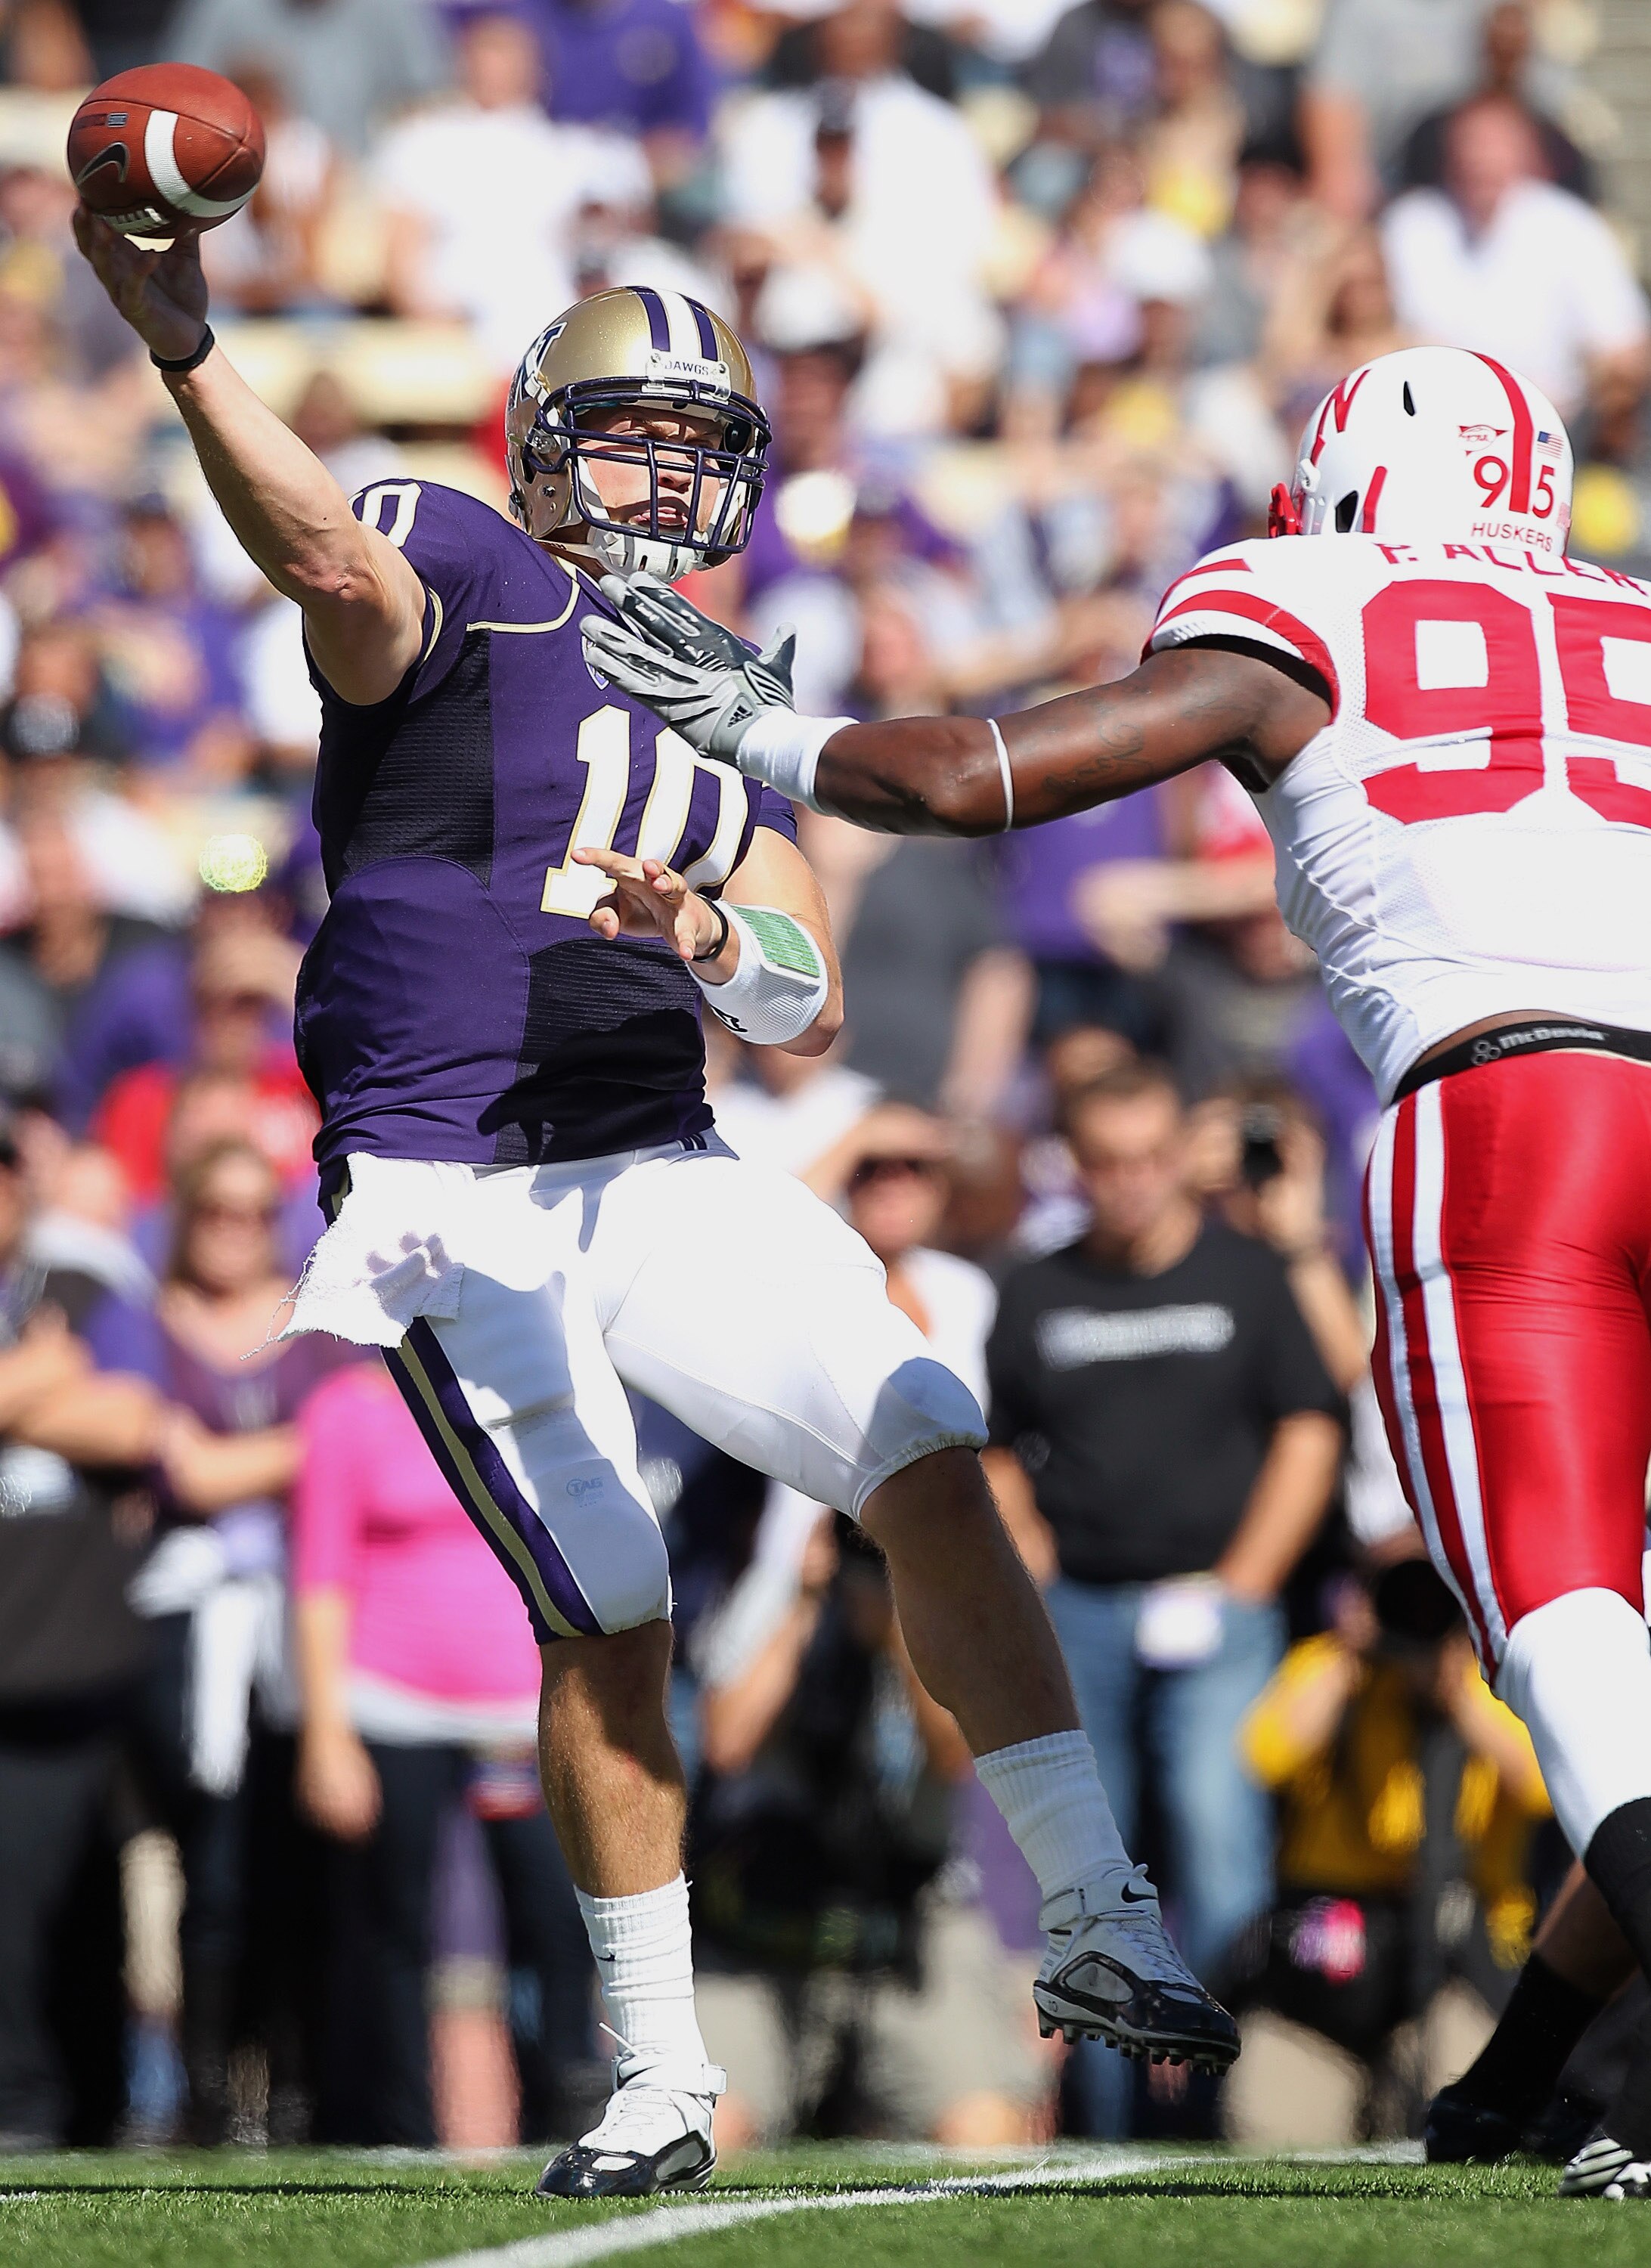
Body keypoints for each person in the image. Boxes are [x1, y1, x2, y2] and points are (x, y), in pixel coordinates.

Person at [71, 218, 1239, 2196]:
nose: (667, 478)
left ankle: (1098, 1912)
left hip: (663, 1161)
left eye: (700, 442)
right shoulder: (458, 563)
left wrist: (706, 922)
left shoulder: (716, 682)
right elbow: (329, 569)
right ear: (537, 440)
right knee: (611, 1591)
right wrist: (190, 344)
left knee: (925, 1441)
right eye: (628, 435)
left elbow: (809, 993)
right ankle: (661, 2076)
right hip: (452, 1182)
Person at [587, 339, 1651, 2201]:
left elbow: (980, 772)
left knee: (1568, 1635)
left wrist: (760, 728)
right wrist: (1518, 2073)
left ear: (1334, 488)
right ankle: (1536, 2066)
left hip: (1514, 1115)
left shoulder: (1304, 592)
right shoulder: (1630, 620)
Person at [983, 1060, 1343, 2130]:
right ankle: (1103, 2119)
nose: (1132, 1183)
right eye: (1107, 1164)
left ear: (1181, 1156)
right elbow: (995, 1448)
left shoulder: (1249, 1275)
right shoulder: (1035, 1289)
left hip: (1220, 1613)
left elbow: (1311, 1426)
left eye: (1150, 1159)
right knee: (1092, 1869)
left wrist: (1245, 1582)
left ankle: (1220, 2106)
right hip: (1083, 1611)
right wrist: (1035, 1560)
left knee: (1216, 1833)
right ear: (1074, 1167)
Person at [88, 1138, 346, 2142]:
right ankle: (202, 2085)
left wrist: (243, 1464)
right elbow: (176, 1467)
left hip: (302, 1613)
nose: (232, 1230)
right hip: (187, 1620)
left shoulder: (315, 1319)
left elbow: (357, 1439)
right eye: (214, 1211)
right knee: (214, 1859)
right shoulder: (143, 1319)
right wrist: (297, 1458)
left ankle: (288, 2080)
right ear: (185, 1217)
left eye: (251, 1212)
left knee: (301, 1854)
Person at [291, 1361, 597, 2146]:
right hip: (392, 1704)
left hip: (514, 1709)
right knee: (395, 1926)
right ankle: (401, 2132)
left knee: (552, 1918)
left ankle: (570, 2118)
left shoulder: (525, 1391)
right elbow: (320, 1572)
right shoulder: (344, 1409)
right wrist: (326, 1731)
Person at [1233, 1559, 1550, 2146]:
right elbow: (1267, 1754)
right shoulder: (1332, 1666)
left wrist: (1454, 1690)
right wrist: (1352, 1654)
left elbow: (1538, 1784)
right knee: (1276, 2127)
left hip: (1461, 1968)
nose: (1419, 1614)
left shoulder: (1490, 1681)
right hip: (1330, 1960)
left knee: (1473, 2121)